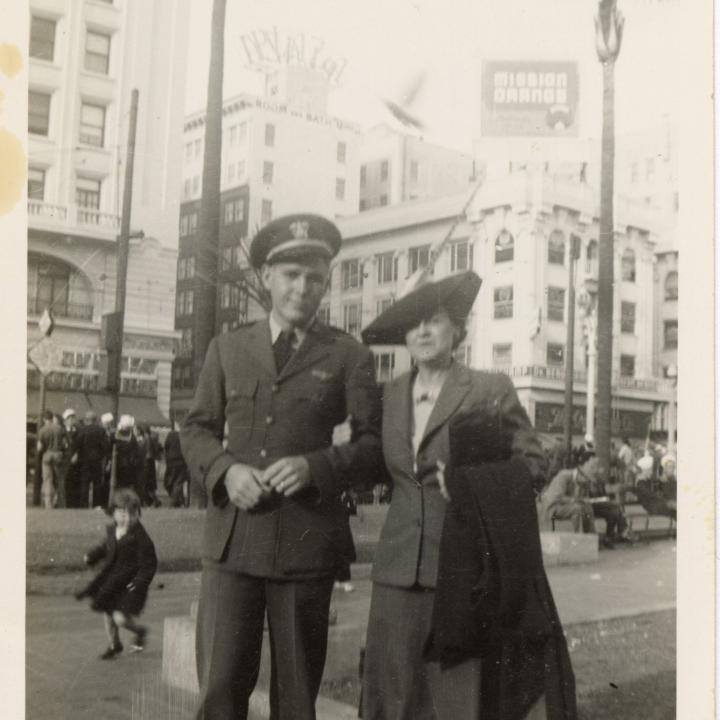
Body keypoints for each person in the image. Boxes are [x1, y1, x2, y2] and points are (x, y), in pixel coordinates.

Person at [180, 213, 383, 720]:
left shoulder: (348, 355)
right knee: (220, 691)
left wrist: (318, 468)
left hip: (306, 543)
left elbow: (373, 445)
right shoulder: (227, 349)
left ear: (327, 284)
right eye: (291, 275)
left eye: (315, 278)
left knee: (296, 699)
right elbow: (195, 429)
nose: (302, 288)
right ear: (267, 277)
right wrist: (226, 471)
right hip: (234, 543)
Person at [356, 271, 574, 720]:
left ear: (457, 329)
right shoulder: (390, 394)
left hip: (462, 571)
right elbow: (373, 463)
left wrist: (470, 484)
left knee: (457, 701)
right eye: (413, 323)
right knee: (394, 698)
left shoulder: (490, 389)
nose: (422, 332)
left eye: (433, 320)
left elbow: (533, 465)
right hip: (396, 573)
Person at [76, 488, 157, 659]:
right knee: (107, 611)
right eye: (121, 513)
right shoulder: (113, 531)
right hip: (112, 581)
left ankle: (139, 631)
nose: (126, 518)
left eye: (131, 514)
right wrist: (92, 556)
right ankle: (115, 644)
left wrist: (140, 581)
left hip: (130, 584)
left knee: (120, 617)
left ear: (138, 514)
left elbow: (149, 564)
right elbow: (106, 547)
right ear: (113, 513)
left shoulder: (141, 538)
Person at [74, 410, 110, 508]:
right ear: (95, 420)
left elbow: (77, 444)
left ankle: (83, 504)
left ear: (87, 420)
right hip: (97, 461)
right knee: (97, 483)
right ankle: (96, 504)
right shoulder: (101, 430)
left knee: (84, 483)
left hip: (84, 460)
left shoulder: (83, 430)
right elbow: (106, 446)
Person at [37, 410, 65, 509]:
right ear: (52, 418)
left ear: (44, 419)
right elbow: (65, 444)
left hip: (47, 456)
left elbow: (39, 448)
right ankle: (58, 501)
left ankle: (48, 504)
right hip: (58, 455)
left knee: (48, 480)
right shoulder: (60, 428)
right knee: (59, 479)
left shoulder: (42, 430)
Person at [113, 415, 142, 494]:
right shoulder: (131, 437)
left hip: (118, 463)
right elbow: (136, 451)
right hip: (128, 464)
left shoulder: (116, 435)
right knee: (126, 484)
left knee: (119, 483)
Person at [163, 422, 190, 507]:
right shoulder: (184, 435)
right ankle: (177, 500)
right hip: (181, 462)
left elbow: (166, 447)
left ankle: (176, 500)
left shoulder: (170, 435)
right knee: (179, 481)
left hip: (171, 461)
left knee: (171, 481)